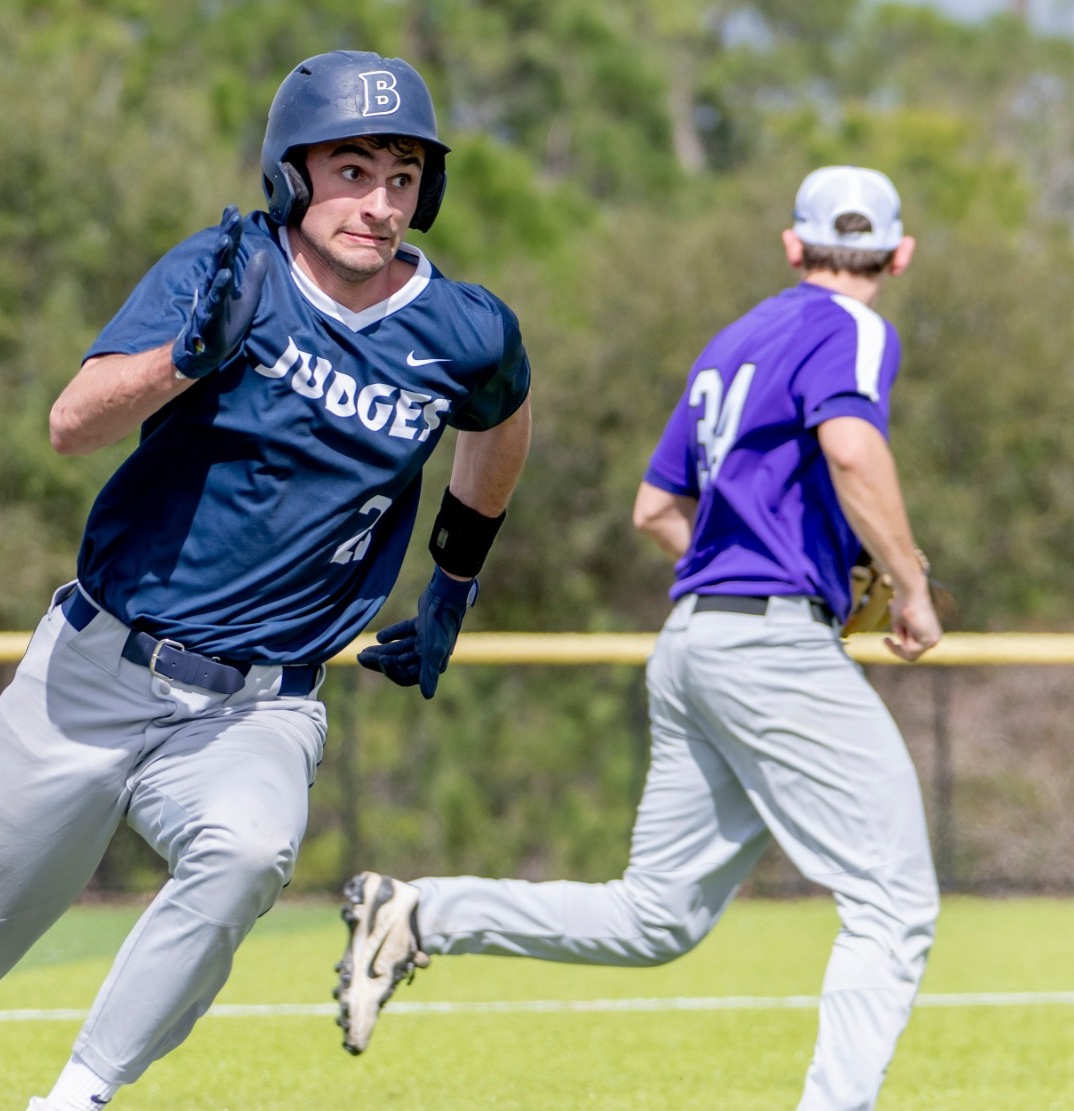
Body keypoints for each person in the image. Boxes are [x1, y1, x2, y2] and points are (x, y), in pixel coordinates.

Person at [0, 51, 533, 1111]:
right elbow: (70, 424)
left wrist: (453, 578)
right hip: (93, 674)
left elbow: (501, 415)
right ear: (294, 173)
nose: (379, 203)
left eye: (403, 177)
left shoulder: (460, 328)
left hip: (258, 706)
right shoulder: (225, 269)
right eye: (354, 169)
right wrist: (188, 354)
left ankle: (75, 1098)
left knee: (247, 853)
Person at [336, 165, 942, 1111]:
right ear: (898, 255)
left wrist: (769, 551)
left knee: (652, 917)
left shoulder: (734, 341)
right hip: (771, 644)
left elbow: (656, 507)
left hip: (696, 639)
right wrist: (909, 588)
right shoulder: (855, 328)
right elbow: (852, 447)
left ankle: (420, 911)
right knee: (894, 903)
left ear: (791, 247)